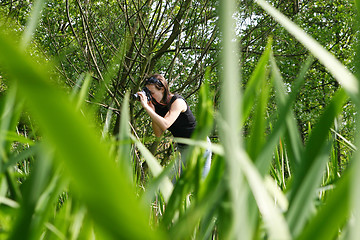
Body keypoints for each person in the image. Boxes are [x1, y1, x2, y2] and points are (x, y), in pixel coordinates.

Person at [136, 74, 211, 180]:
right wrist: (152, 111)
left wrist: (146, 107)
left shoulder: (178, 102)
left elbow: (165, 124)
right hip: (183, 149)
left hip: (200, 146)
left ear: (162, 89)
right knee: (173, 187)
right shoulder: (157, 106)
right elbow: (158, 134)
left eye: (152, 93)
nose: (151, 97)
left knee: (200, 186)